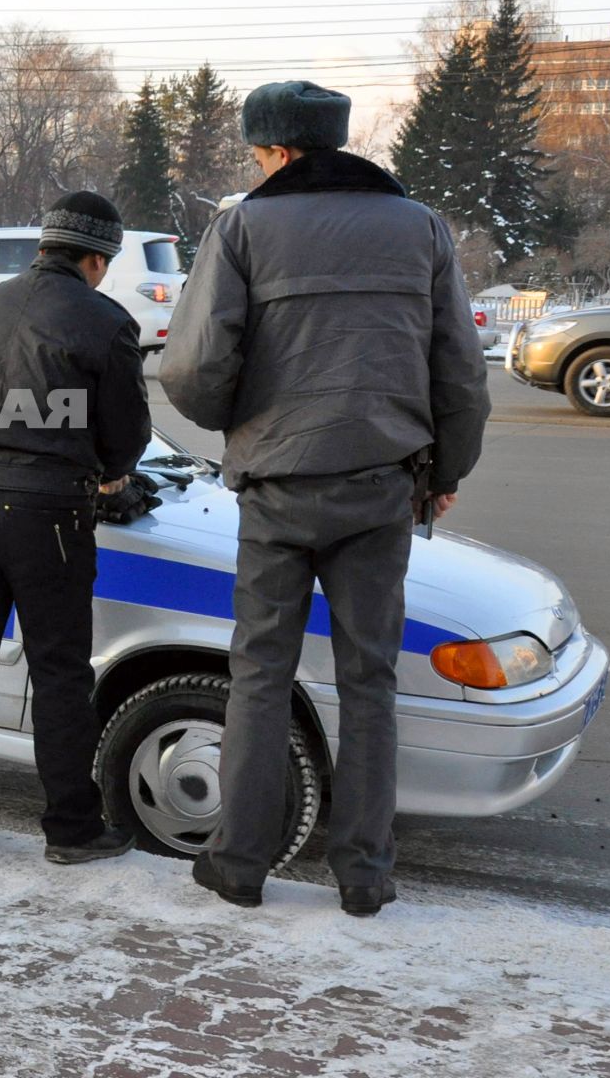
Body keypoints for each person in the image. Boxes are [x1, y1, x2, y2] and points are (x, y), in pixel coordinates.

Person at [161, 81, 490, 917]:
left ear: (273, 151)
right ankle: (365, 874)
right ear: (337, 144)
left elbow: (193, 369)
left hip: (276, 489)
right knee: (369, 681)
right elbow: (459, 369)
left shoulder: (241, 227)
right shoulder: (419, 229)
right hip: (382, 487)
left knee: (260, 675)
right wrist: (443, 471)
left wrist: (244, 427)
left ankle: (239, 863)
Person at [0, 191, 151, 864]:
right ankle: (72, 829)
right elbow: (127, 436)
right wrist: (110, 474)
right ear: (97, 259)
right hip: (47, 516)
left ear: (42, 245)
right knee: (57, 673)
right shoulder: (103, 321)